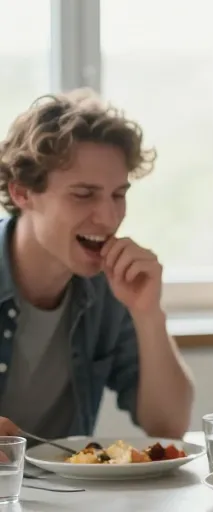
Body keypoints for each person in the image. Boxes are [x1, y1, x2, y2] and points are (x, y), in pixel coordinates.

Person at [0, 89, 195, 441]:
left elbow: (169, 426)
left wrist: (148, 313)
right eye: (83, 194)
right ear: (22, 193)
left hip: (69, 495)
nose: (108, 218)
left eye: (118, 195)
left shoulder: (110, 286)